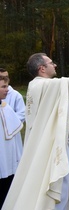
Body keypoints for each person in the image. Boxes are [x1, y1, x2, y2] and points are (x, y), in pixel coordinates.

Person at [2, 36, 69, 210]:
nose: (55, 65)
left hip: (41, 147)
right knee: (54, 193)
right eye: (51, 63)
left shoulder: (35, 86)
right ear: (42, 68)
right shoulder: (46, 87)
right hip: (50, 150)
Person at [0, 76, 23, 208]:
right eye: (3, 87)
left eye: (7, 86)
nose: (7, 90)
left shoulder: (6, 107)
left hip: (7, 159)